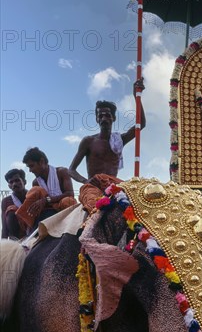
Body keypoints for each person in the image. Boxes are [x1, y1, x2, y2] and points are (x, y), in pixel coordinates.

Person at [69, 79, 146, 213]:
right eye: (101, 115)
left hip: (114, 185)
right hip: (94, 186)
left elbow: (141, 124)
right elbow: (71, 170)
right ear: (97, 119)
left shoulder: (120, 139)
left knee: (137, 203)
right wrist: (85, 181)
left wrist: (136, 96)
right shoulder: (88, 141)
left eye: (107, 115)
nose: (104, 118)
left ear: (113, 118)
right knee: (93, 203)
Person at [15, 148, 77, 232]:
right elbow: (39, 205)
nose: (30, 170)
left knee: (68, 201)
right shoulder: (36, 182)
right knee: (35, 192)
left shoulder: (61, 172)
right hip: (49, 211)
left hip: (64, 208)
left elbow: (70, 194)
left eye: (32, 166)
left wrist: (46, 200)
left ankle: (74, 229)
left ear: (41, 161)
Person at [1, 169, 28, 239]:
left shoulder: (33, 196)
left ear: (24, 182)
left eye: (17, 180)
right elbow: (5, 228)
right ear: (9, 186)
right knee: (11, 210)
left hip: (33, 234)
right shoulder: (5, 201)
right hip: (16, 238)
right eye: (11, 182)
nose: (14, 184)